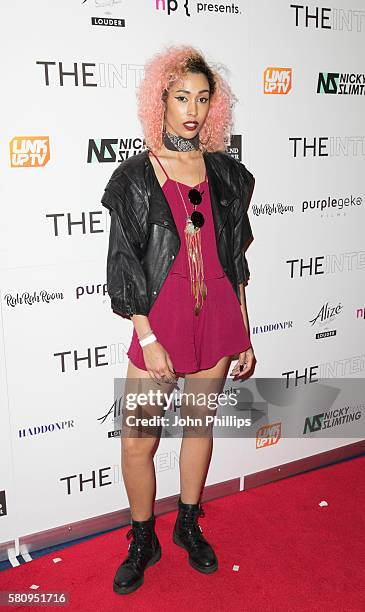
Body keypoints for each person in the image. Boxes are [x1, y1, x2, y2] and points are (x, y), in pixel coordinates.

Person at [101, 45, 256, 595]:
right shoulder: (136, 177)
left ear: (215, 106)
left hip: (217, 316)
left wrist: (243, 327)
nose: (192, 108)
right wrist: (148, 336)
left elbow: (235, 259)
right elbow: (123, 265)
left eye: (203, 98)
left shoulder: (228, 175)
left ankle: (189, 523)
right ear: (159, 101)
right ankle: (143, 537)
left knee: (198, 427)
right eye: (181, 96)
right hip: (159, 320)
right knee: (136, 441)